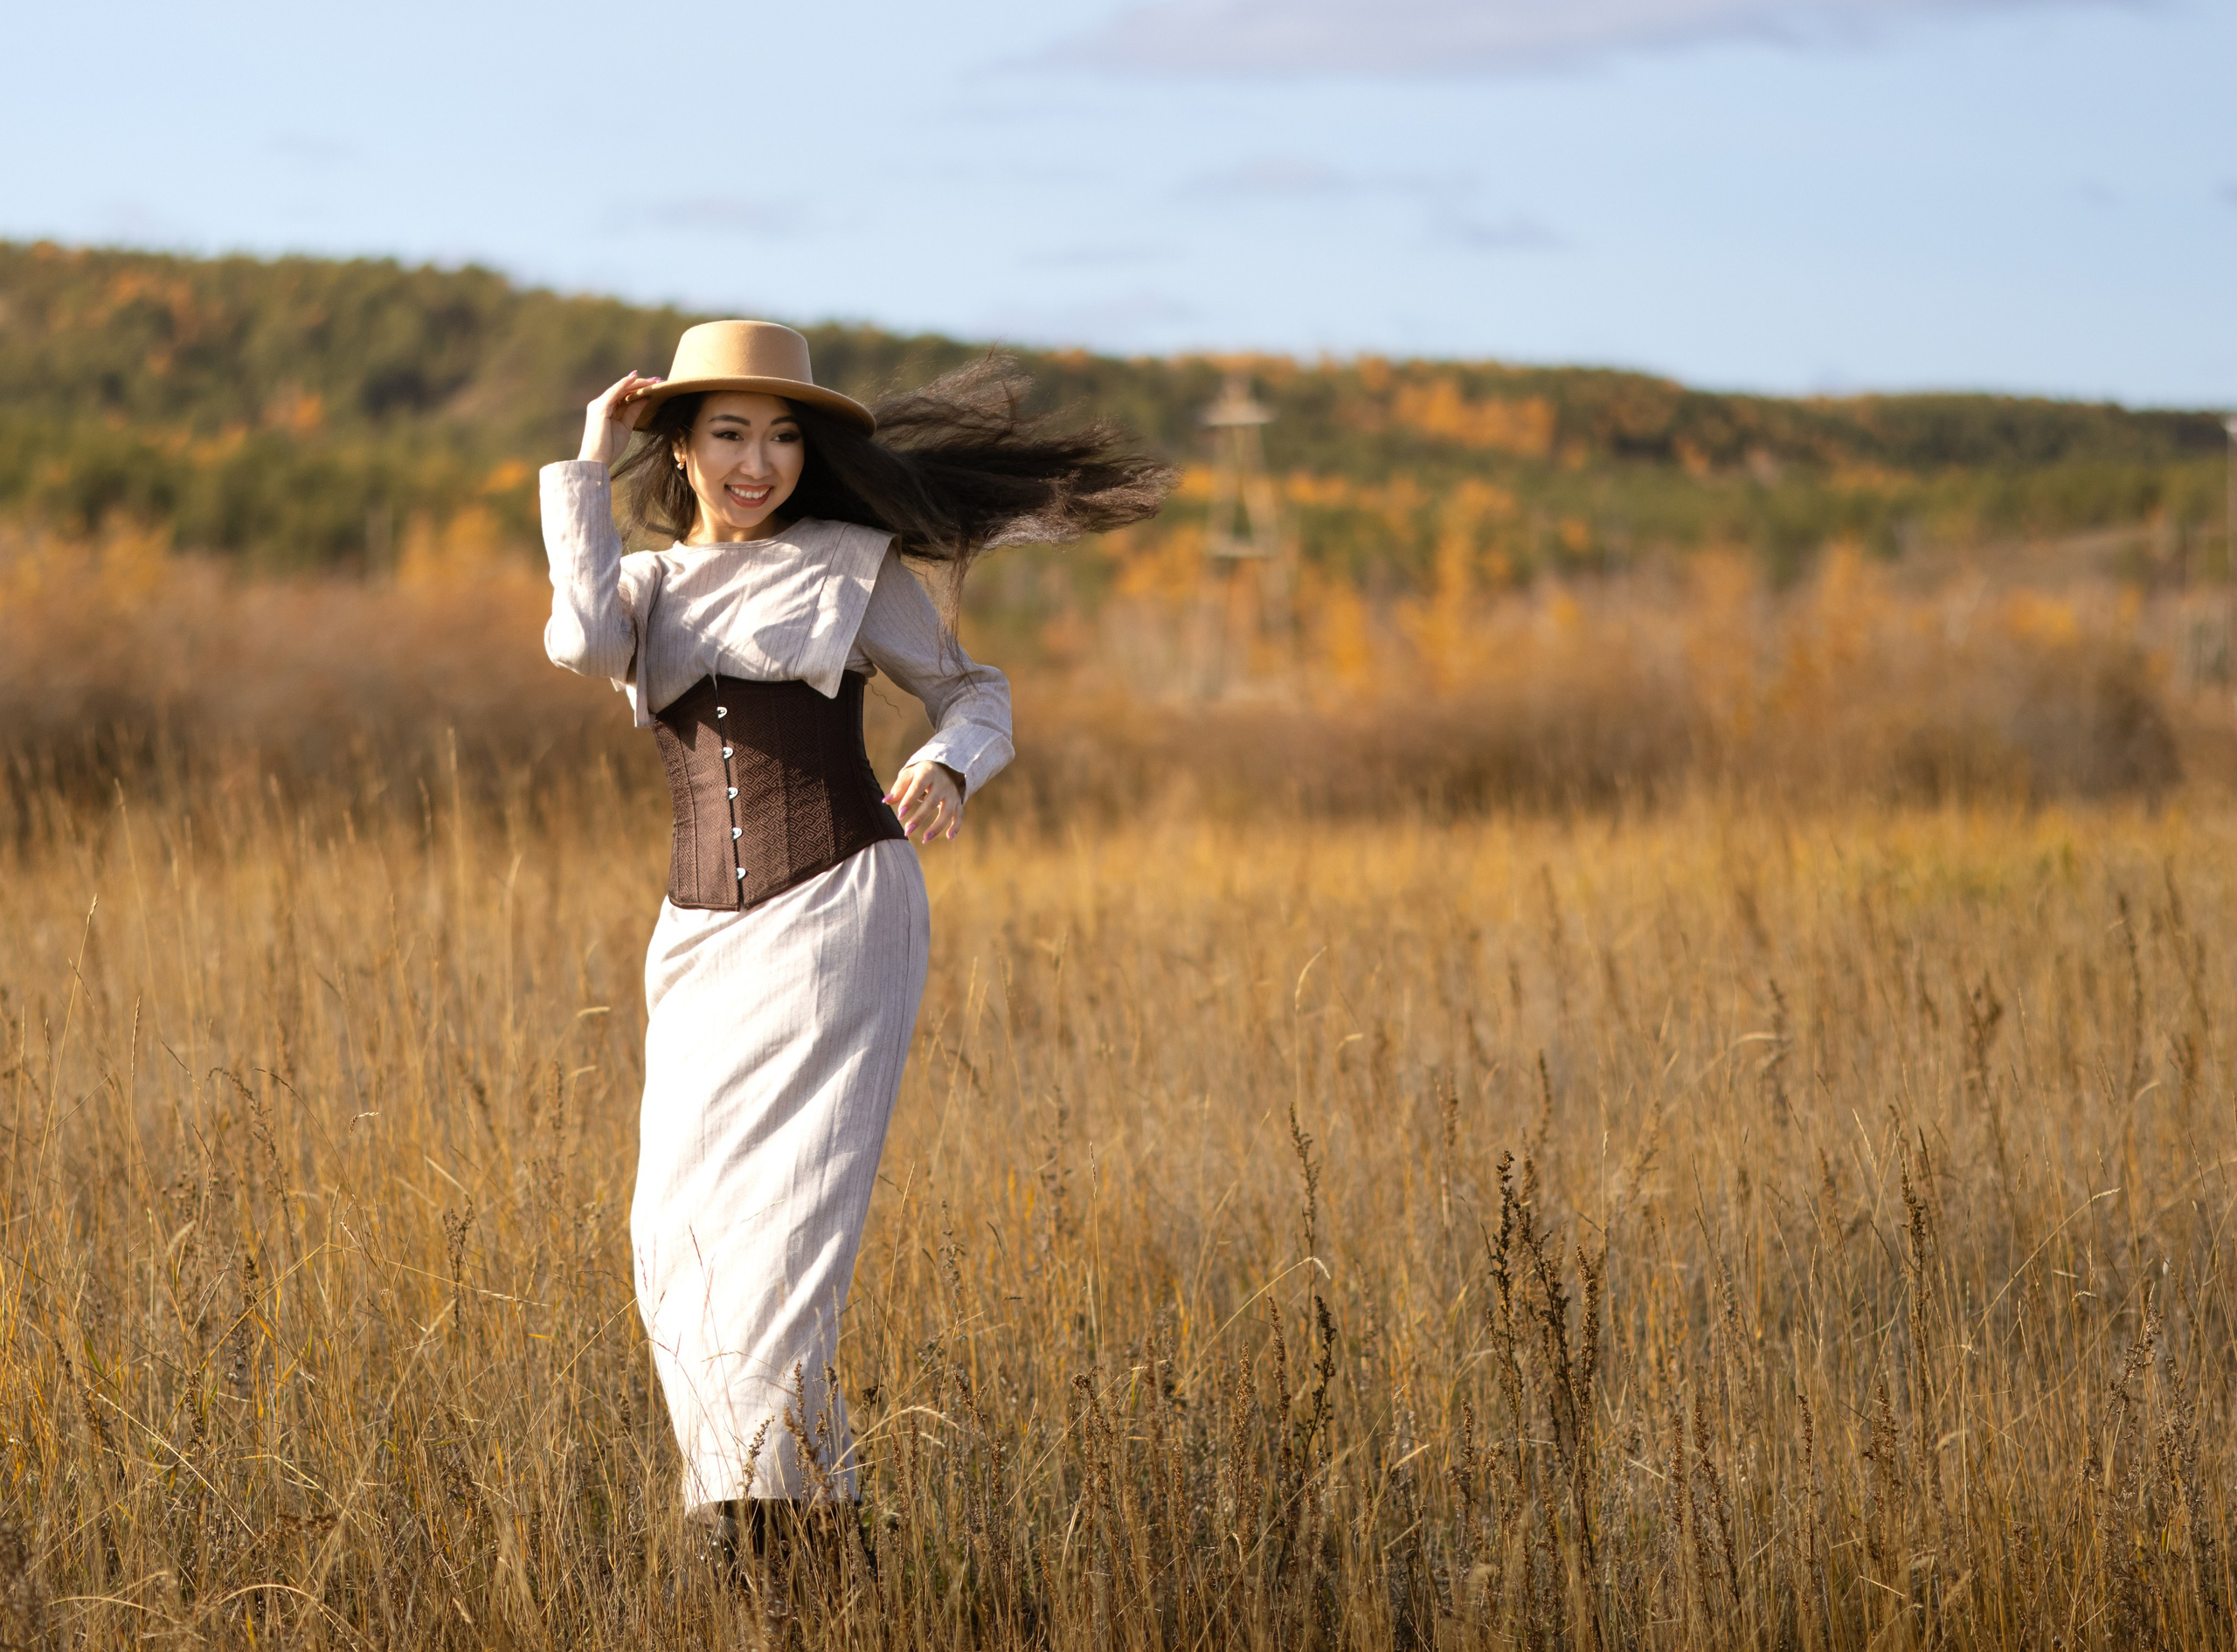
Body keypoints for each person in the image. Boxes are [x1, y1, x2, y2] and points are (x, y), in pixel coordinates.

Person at [540, 321, 1167, 1575]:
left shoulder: (846, 563)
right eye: (729, 433)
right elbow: (577, 640)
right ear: (681, 443)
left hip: (836, 905)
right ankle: (818, 1530)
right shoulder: (647, 589)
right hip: (697, 939)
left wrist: (948, 762)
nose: (758, 462)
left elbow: (974, 690)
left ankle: (754, 1535)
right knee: (671, 1237)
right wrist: (584, 462)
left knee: (781, 1234)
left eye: (781, 436)